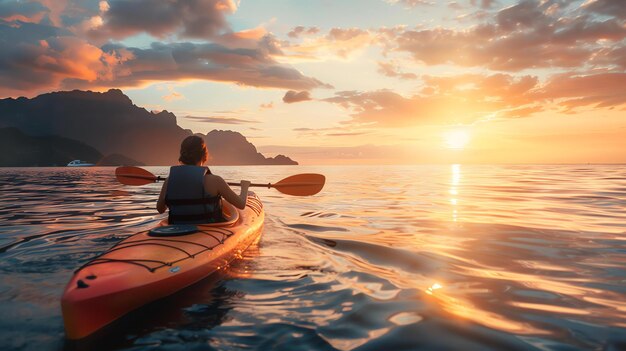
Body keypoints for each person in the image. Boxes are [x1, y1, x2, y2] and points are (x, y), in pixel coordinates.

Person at [157, 135, 250, 224]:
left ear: (182, 155)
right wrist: (244, 187)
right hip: (210, 231)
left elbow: (160, 209)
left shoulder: (169, 181)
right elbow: (241, 205)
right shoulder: (216, 181)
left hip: (177, 229)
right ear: (204, 155)